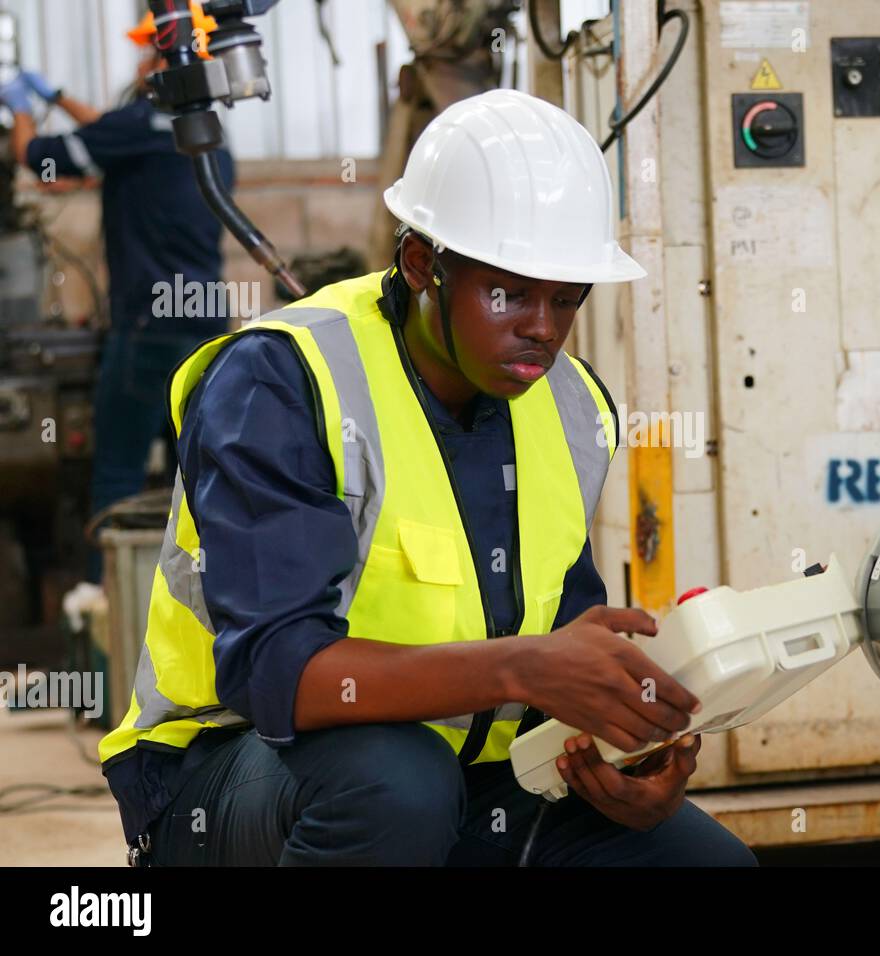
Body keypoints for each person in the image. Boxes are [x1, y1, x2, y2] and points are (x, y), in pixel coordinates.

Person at [97, 88, 757, 867]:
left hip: (468, 780)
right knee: (394, 785)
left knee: (700, 862)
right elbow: (275, 675)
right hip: (233, 776)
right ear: (421, 264)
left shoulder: (574, 409)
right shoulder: (282, 382)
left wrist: (629, 750)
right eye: (509, 292)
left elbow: (560, 647)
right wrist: (522, 666)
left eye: (566, 298)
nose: (542, 327)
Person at [0, 2, 234, 581]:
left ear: (167, 56)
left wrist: (20, 106)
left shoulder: (133, 130)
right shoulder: (205, 134)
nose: (138, 60)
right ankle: (205, 615)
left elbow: (38, 157)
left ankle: (109, 618)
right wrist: (56, 95)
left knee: (117, 480)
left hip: (148, 330)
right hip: (207, 329)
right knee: (200, 482)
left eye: (147, 50)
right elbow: (105, 134)